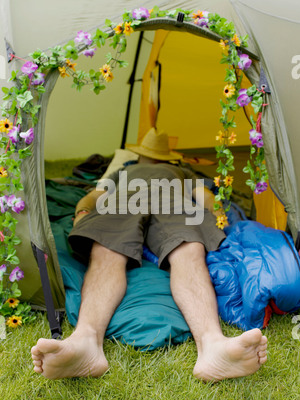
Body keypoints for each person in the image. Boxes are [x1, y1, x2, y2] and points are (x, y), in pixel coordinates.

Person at [31, 128, 267, 381]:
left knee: (188, 249)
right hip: (124, 201)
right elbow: (94, 196)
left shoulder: (182, 171)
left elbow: (204, 195)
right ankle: (85, 343)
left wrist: (218, 213)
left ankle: (213, 347)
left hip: (173, 203)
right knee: (106, 249)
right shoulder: (121, 171)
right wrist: (82, 213)